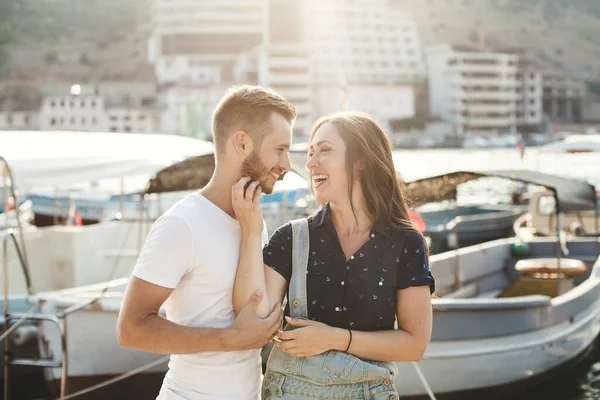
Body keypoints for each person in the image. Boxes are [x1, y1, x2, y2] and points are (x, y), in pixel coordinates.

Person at [232, 111, 435, 399]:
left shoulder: (406, 243)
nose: (310, 163)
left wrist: (334, 339)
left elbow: (414, 345)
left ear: (362, 163)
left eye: (324, 150)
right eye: (311, 152)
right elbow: (254, 316)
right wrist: (251, 233)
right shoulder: (290, 238)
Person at [117, 85, 297, 400]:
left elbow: (257, 314)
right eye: (279, 149)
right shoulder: (182, 224)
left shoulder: (254, 221)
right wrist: (231, 339)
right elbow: (131, 329)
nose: (287, 163)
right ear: (242, 142)